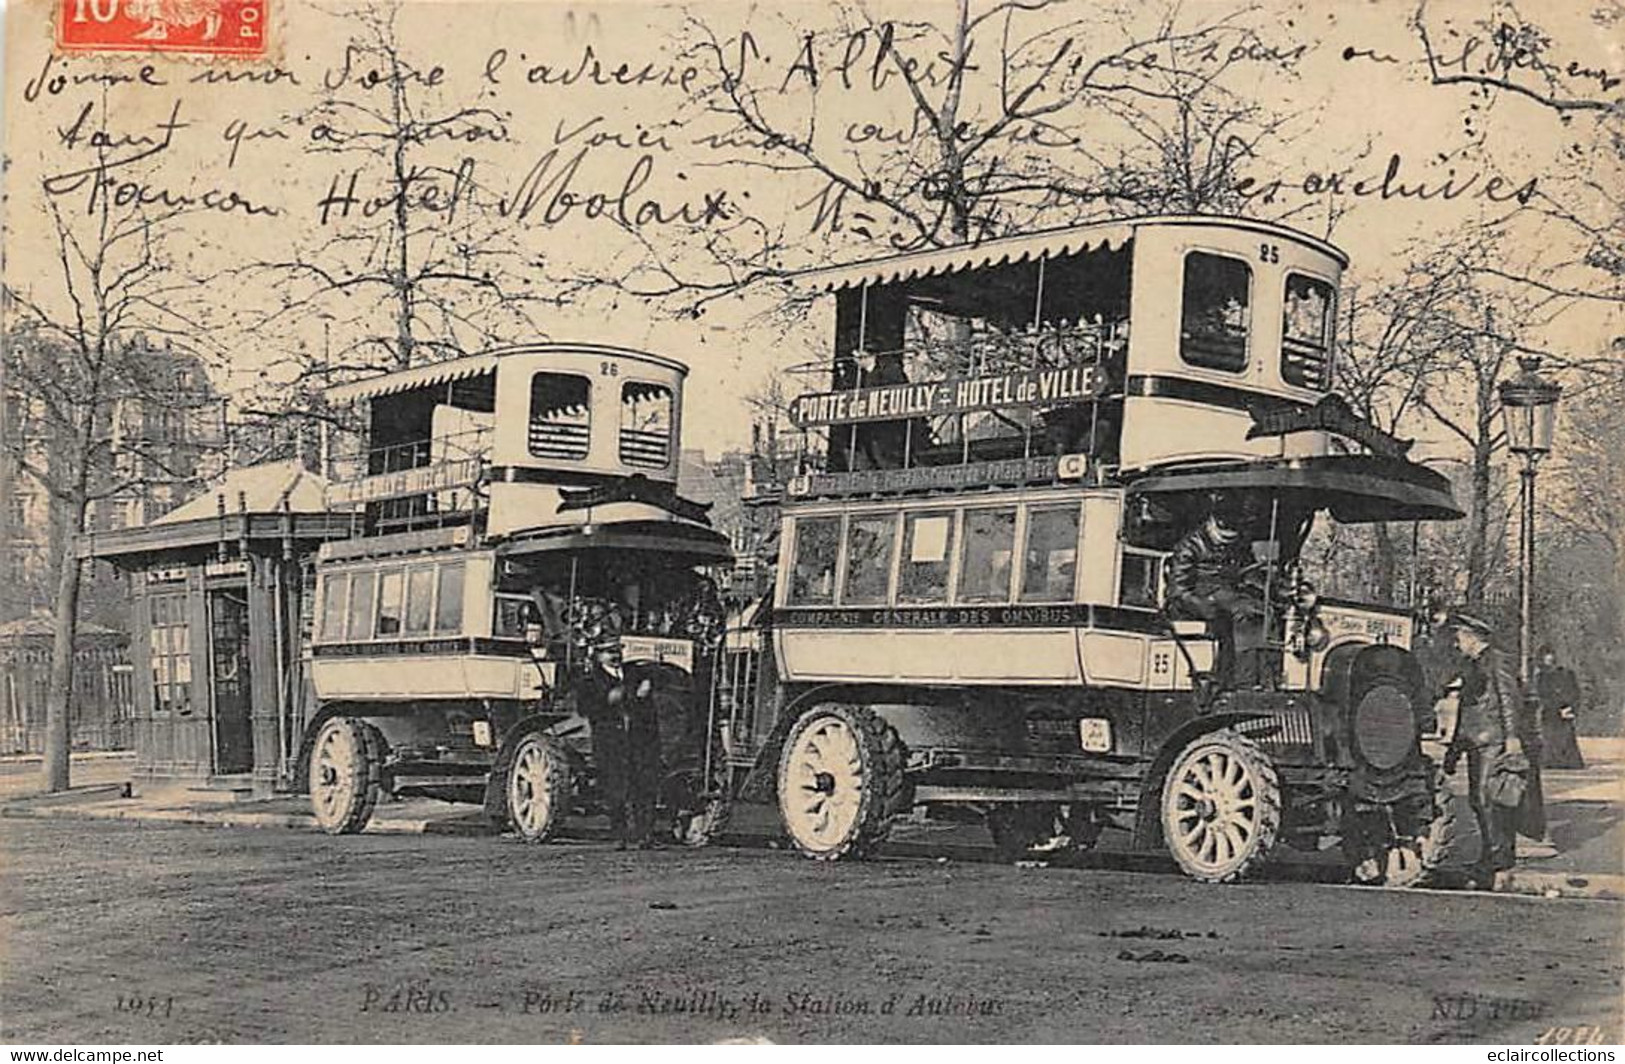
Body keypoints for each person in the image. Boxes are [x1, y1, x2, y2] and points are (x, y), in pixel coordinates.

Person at [1444, 613, 1524, 890]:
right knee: (1480, 802)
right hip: (1476, 740)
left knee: (1489, 800)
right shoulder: (1473, 665)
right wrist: (1454, 750)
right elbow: (1465, 711)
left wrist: (1512, 737)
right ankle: (1491, 857)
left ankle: (1500, 862)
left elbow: (1509, 699)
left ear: (1471, 636)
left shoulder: (1496, 660)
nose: (1456, 644)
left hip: (1492, 740)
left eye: (1459, 638)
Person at [1165, 495, 1268, 687]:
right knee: (1244, 612)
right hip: (1201, 596)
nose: (1229, 540)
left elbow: (1248, 571)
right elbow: (1177, 591)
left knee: (1264, 609)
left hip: (1230, 593)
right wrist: (1201, 605)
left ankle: (1267, 676)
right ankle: (1244, 680)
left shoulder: (1239, 543)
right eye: (1225, 532)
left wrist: (1266, 585)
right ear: (1213, 522)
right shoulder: (1190, 545)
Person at [1534, 646, 1586, 770]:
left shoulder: (1566, 674)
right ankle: (1553, 760)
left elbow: (1574, 692)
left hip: (1564, 709)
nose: (1549, 659)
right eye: (1546, 656)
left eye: (1550, 655)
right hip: (1550, 710)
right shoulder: (1541, 676)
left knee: (1565, 737)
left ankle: (1565, 761)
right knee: (1551, 737)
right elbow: (1542, 694)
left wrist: (1569, 707)